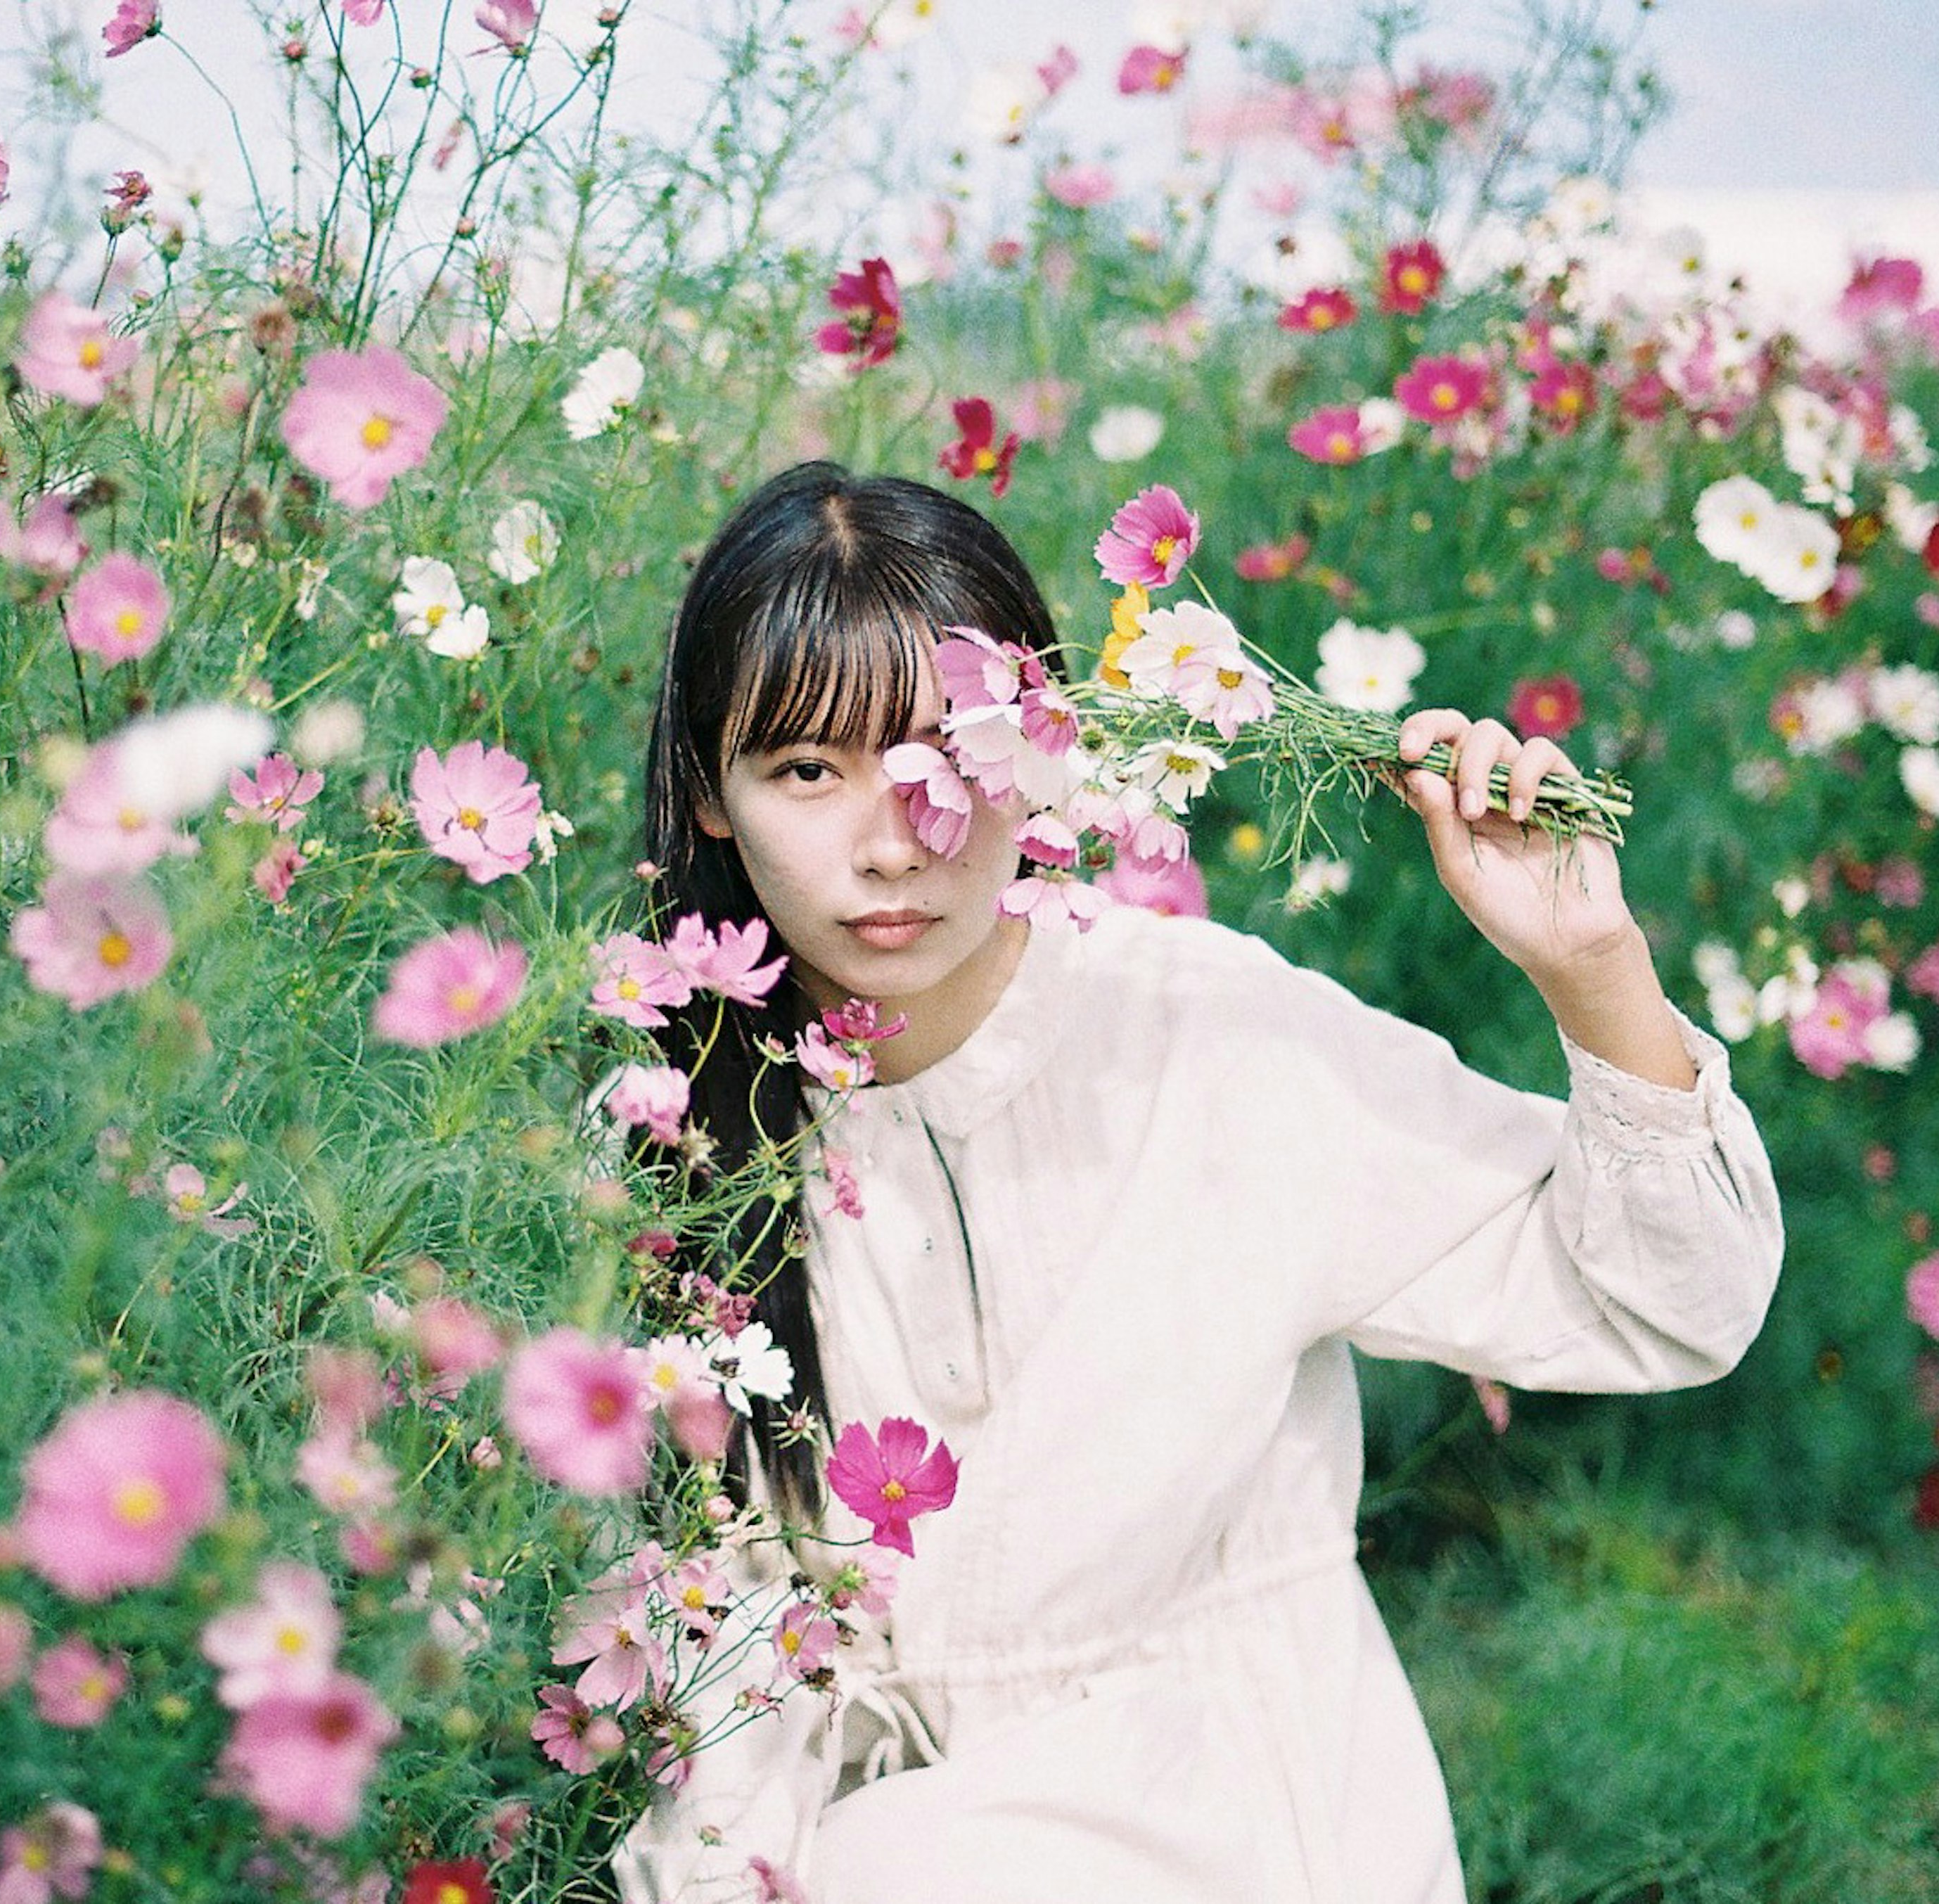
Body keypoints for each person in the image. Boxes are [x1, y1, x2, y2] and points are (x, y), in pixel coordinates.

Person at [614, 461, 1784, 1904]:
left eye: (940, 756)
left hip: (1244, 1816)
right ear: (714, 799)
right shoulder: (690, 1119)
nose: (889, 840)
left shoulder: (1213, 1033)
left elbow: (1674, 1304)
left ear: (1042, 744)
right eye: (807, 769)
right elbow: (728, 1621)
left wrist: (1593, 970)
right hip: (901, 1834)